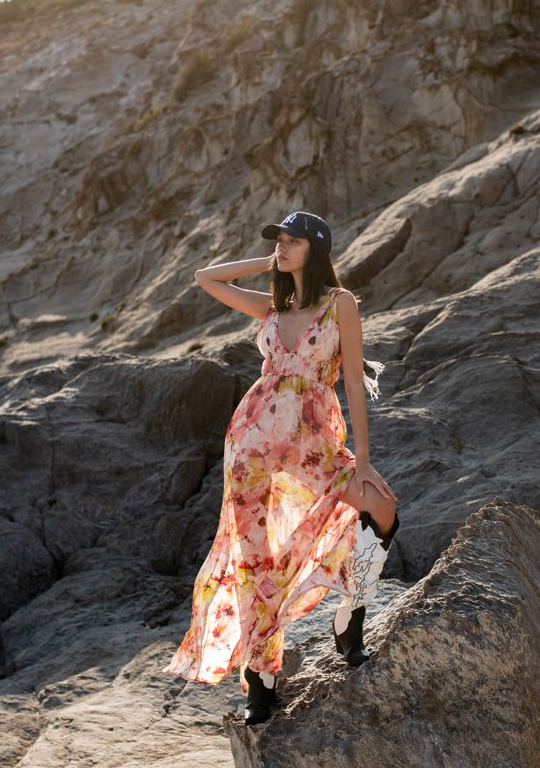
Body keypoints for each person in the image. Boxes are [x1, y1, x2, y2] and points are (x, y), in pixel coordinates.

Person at [165, 211, 398, 726]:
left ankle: (350, 612)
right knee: (255, 560)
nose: (284, 248)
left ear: (316, 249)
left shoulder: (341, 305)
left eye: (294, 242)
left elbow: (354, 382)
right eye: (280, 242)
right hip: (252, 441)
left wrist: (362, 459)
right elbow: (207, 278)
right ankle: (261, 683)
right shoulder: (273, 303)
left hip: (313, 441)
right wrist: (268, 260)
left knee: (381, 509)